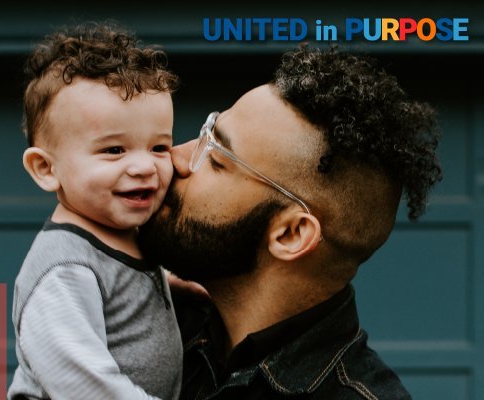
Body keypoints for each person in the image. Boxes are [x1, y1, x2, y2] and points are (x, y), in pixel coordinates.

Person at [138, 47, 443, 399]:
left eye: (217, 158)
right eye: (206, 132)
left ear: (291, 234)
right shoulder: (141, 315)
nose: (173, 157)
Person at [7, 22, 182, 400]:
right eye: (114, 150)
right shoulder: (64, 270)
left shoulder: (123, 232)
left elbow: (122, 286)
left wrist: (173, 283)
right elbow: (82, 384)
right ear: (46, 169)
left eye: (159, 147)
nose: (143, 167)